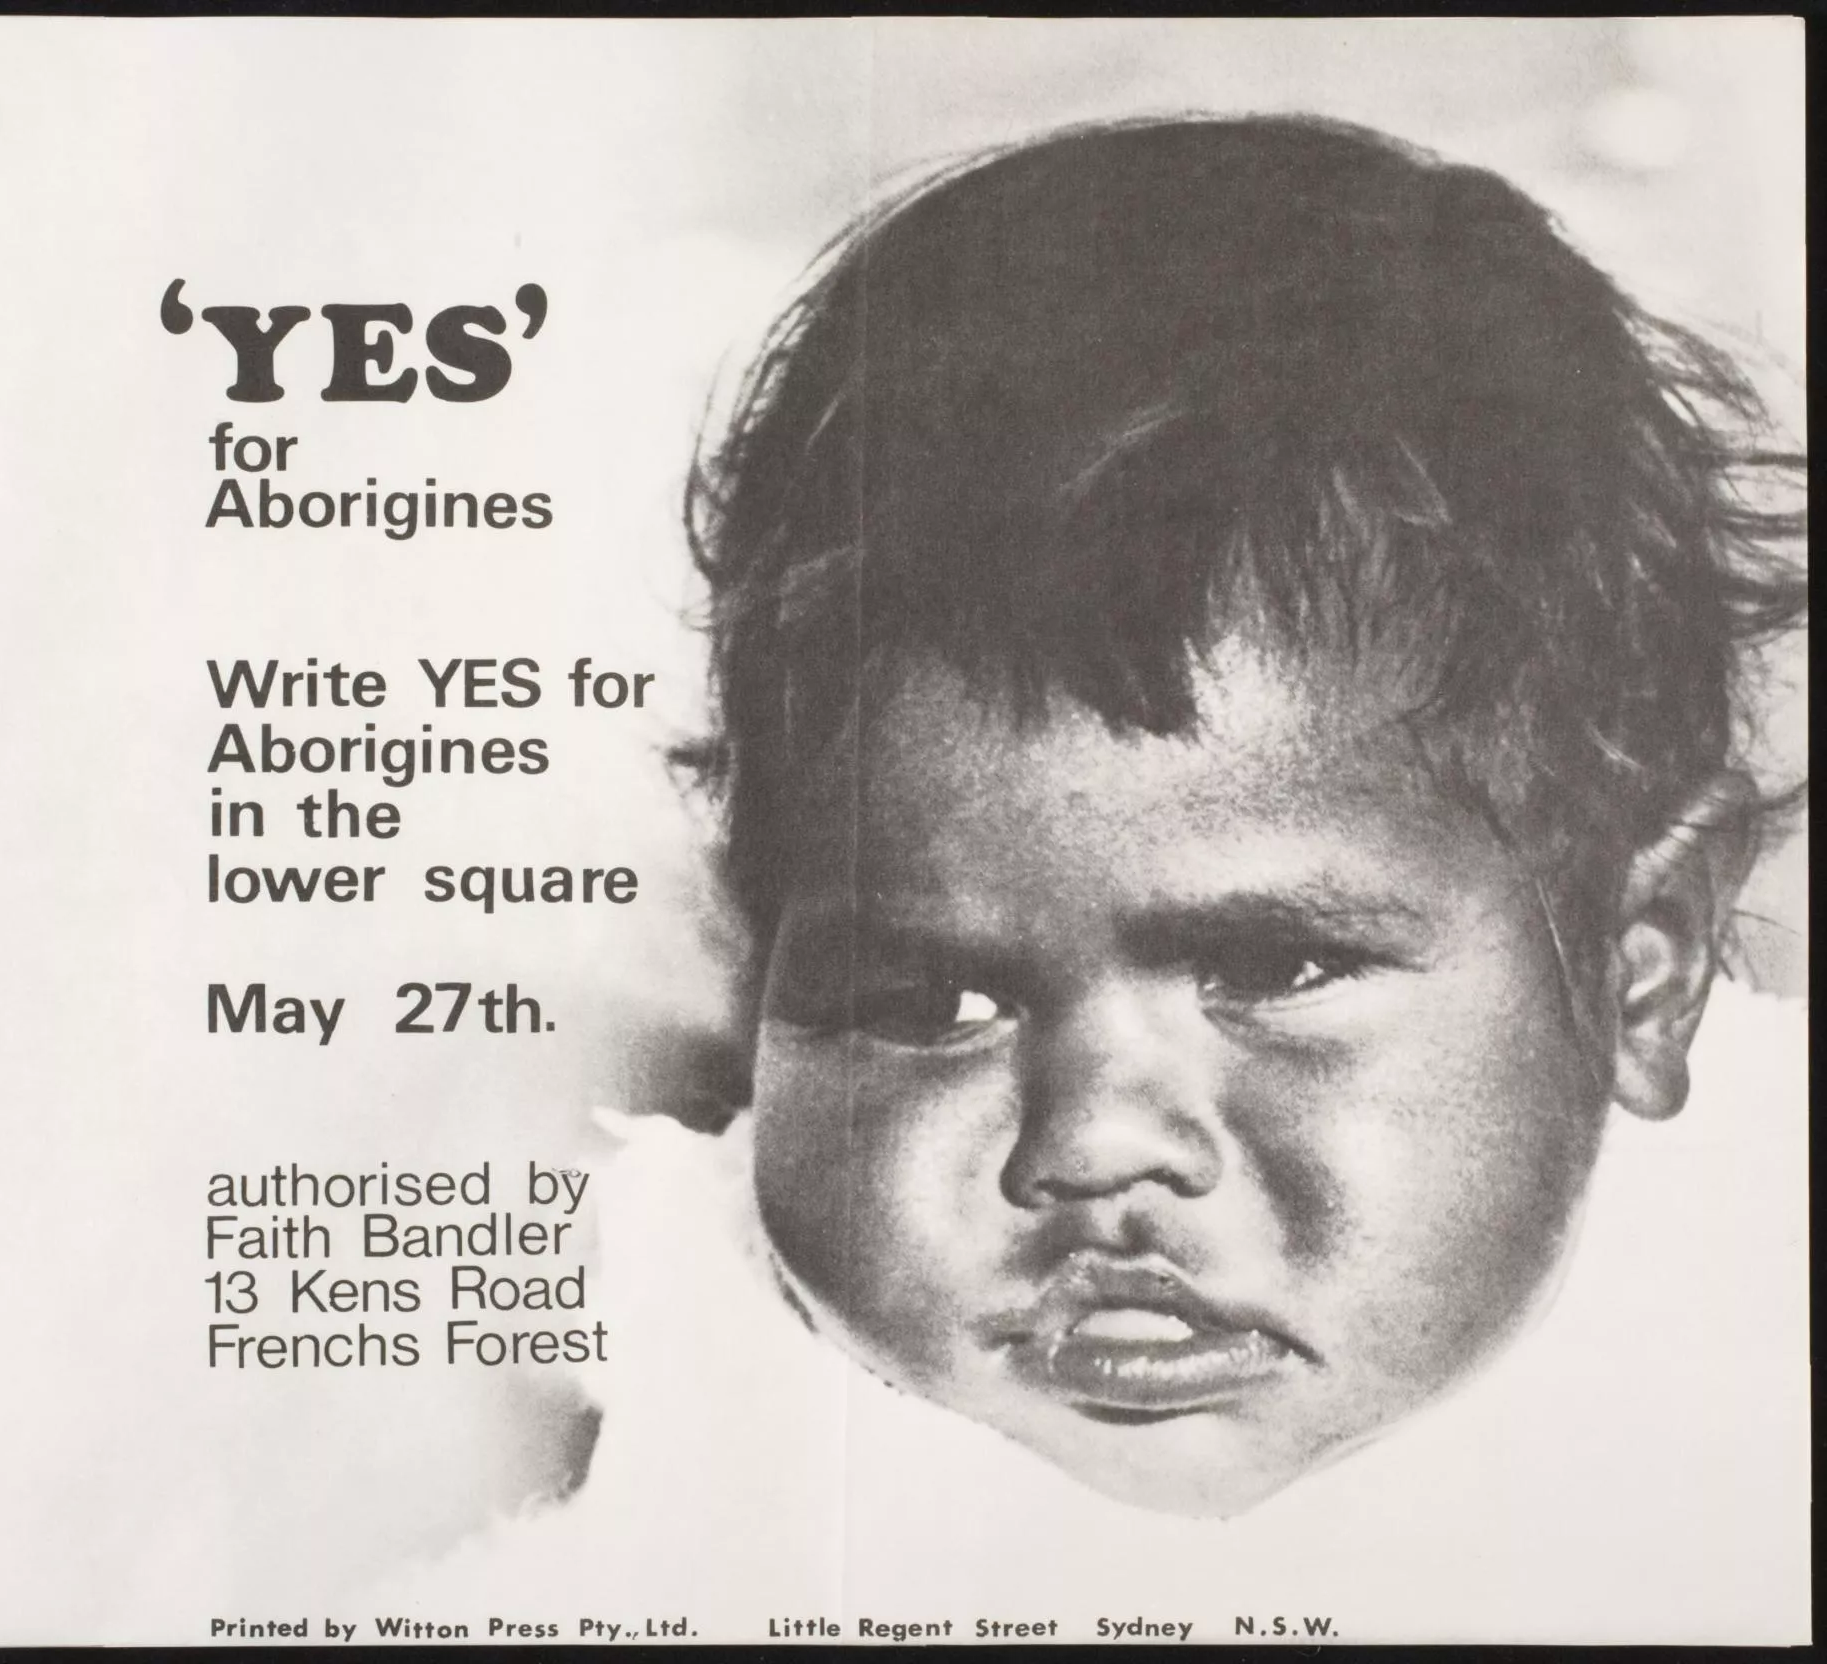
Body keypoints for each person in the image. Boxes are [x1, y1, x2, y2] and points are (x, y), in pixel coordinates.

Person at [359, 115, 1806, 1638]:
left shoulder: (1748, 1432)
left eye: (1272, 971)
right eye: (933, 1000)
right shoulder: (640, 1417)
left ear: (1644, 966)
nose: (1092, 1148)